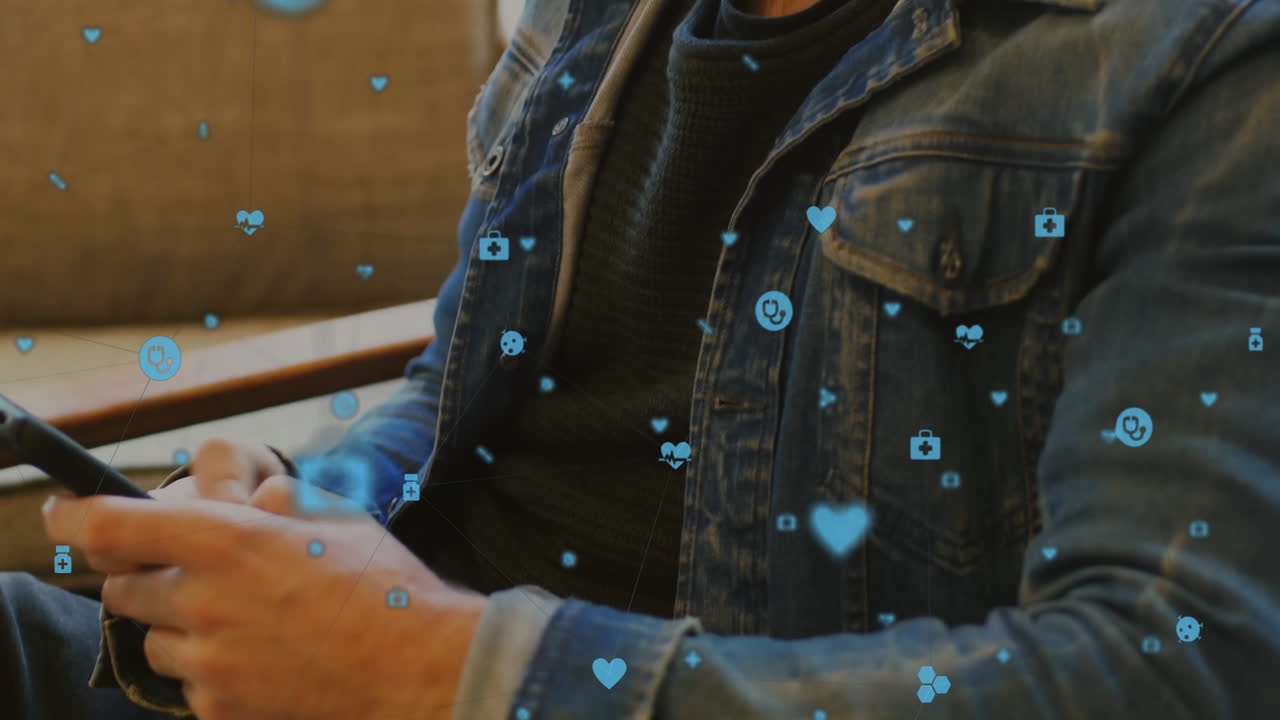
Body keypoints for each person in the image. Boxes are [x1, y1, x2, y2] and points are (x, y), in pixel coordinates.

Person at [4, 0, 1280, 717]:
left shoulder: (1208, 63)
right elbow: (462, 383)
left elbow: (1176, 668)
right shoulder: (598, 22)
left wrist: (437, 669)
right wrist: (311, 498)